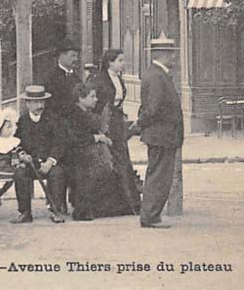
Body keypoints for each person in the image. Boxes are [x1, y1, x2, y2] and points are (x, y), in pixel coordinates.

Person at [133, 34, 184, 229]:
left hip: (161, 135)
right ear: (162, 55)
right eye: (171, 54)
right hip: (161, 136)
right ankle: (151, 217)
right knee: (158, 177)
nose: (173, 58)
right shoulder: (157, 76)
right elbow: (153, 108)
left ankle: (151, 215)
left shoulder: (156, 74)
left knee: (158, 175)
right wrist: (140, 124)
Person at [65, 82, 134, 220]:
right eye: (92, 96)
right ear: (81, 98)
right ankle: (89, 208)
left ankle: (108, 206)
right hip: (76, 154)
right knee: (101, 168)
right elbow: (74, 138)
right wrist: (97, 138)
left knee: (110, 164)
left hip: (87, 151)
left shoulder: (85, 113)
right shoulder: (74, 114)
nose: (96, 99)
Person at [91, 49, 141, 214]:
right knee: (109, 160)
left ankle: (128, 203)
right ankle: (108, 205)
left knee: (122, 159)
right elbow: (96, 105)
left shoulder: (118, 78)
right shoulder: (99, 80)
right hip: (106, 123)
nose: (123, 63)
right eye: (120, 60)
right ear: (109, 62)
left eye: (123, 60)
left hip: (117, 123)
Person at [11, 85, 66, 224]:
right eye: (35, 102)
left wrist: (50, 161)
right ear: (27, 104)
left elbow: (59, 143)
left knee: (58, 173)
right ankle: (25, 212)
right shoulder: (23, 121)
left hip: (49, 163)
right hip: (31, 164)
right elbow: (17, 143)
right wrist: (22, 155)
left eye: (42, 102)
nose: (40, 105)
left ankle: (55, 210)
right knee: (19, 174)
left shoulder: (53, 119)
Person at [42, 40, 81, 115]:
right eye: (73, 55)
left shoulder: (77, 80)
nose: (76, 59)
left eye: (77, 56)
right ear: (61, 56)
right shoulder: (51, 79)